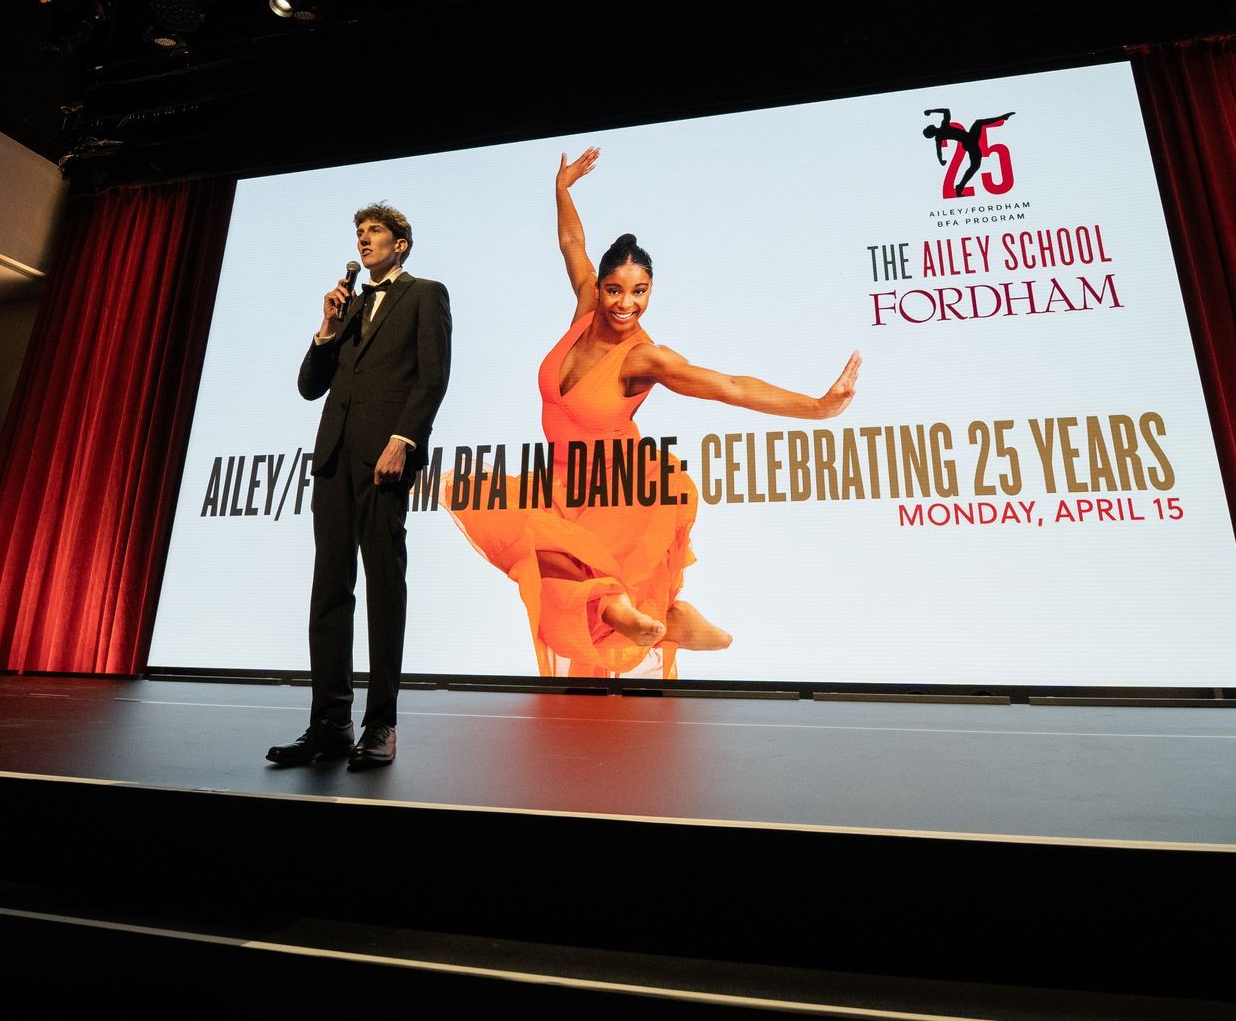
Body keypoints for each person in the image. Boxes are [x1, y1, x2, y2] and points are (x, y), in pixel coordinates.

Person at [447, 147, 859, 678]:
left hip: (618, 483)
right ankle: (666, 616)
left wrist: (820, 408)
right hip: (561, 479)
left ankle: (644, 611)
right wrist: (562, 190)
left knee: (569, 560)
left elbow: (729, 387)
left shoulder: (644, 357)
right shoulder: (584, 309)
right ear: (599, 287)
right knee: (527, 542)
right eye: (616, 290)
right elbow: (572, 243)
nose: (626, 304)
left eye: (640, 292)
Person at [268, 203, 452, 770]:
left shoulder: (425, 294)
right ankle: (329, 722)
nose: (364, 239)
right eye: (359, 232)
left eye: (374, 232)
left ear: (400, 244)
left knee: (382, 588)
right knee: (329, 591)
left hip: (384, 462)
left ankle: (381, 724)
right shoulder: (345, 307)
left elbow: (433, 376)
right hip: (334, 461)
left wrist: (404, 439)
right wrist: (326, 328)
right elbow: (308, 386)